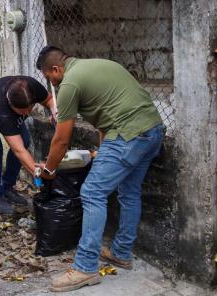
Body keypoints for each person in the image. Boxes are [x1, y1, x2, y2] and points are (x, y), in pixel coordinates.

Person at [35, 46, 164, 292]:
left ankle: (85, 268)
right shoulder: (101, 63)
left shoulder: (70, 84)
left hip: (128, 135)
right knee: (129, 191)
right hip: (153, 130)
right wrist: (103, 152)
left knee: (92, 192)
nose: (50, 82)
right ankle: (122, 252)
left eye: (48, 77)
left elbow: (62, 139)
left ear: (55, 69)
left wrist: (49, 170)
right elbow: (108, 116)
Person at [0, 76, 56, 216]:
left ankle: (8, 187)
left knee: (24, 140)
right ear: (11, 105)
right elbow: (19, 151)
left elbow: (49, 99)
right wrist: (40, 175)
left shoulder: (32, 86)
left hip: (4, 110)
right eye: (22, 111)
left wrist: (56, 113)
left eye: (30, 108)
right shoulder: (1, 110)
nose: (27, 113)